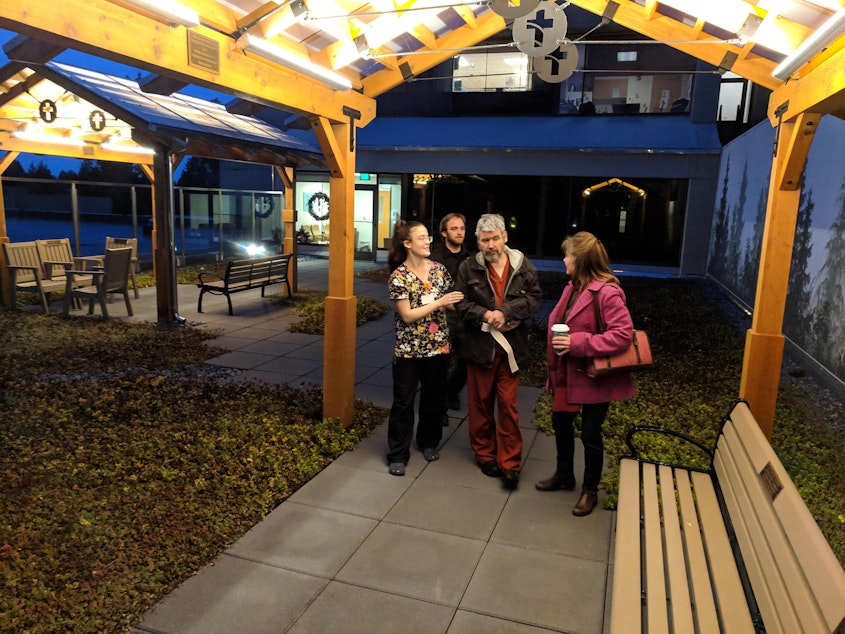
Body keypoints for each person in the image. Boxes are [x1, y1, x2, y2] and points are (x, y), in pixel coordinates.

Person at [538, 231, 636, 516]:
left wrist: (577, 343)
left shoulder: (607, 292)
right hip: (568, 373)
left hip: (594, 375)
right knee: (561, 423)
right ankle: (564, 475)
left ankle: (589, 490)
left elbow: (623, 335)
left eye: (568, 254)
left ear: (580, 259)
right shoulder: (573, 287)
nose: (564, 259)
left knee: (591, 434)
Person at [454, 213, 542, 489]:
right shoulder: (468, 268)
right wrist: (484, 314)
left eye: (494, 239)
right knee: (479, 405)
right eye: (484, 240)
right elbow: (460, 303)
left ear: (505, 237)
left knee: (508, 405)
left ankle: (510, 463)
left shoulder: (523, 266)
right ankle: (484, 455)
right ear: (477, 241)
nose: (490, 245)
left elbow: (535, 298)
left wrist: (505, 312)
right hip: (479, 348)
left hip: (511, 350)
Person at [385, 220, 464, 476]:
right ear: (407, 243)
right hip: (409, 349)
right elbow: (407, 315)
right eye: (421, 237)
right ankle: (398, 453)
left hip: (438, 347)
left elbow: (449, 303)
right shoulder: (399, 276)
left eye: (428, 237)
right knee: (403, 402)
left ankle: (429, 442)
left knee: (434, 398)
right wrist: (440, 301)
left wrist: (464, 305)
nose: (427, 241)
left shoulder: (439, 270)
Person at [429, 213, 473, 413]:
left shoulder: (471, 260)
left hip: (465, 317)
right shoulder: (435, 260)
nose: (459, 232)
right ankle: (439, 408)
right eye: (454, 228)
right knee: (440, 364)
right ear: (444, 233)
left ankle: (451, 391)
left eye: (462, 228)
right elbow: (430, 291)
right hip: (442, 317)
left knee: (467, 360)